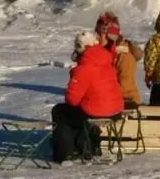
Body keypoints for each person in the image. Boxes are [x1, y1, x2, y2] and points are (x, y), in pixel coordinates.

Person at [51, 32, 124, 163]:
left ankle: (67, 152)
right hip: (115, 110)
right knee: (80, 112)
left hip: (95, 111)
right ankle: (91, 146)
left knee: (60, 111)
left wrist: (74, 75)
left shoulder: (84, 68)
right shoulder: (107, 63)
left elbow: (72, 99)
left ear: (80, 48)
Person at [102, 21, 143, 109]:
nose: (97, 37)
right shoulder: (109, 53)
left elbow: (125, 85)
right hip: (114, 99)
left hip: (126, 100)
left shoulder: (124, 56)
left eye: (101, 34)